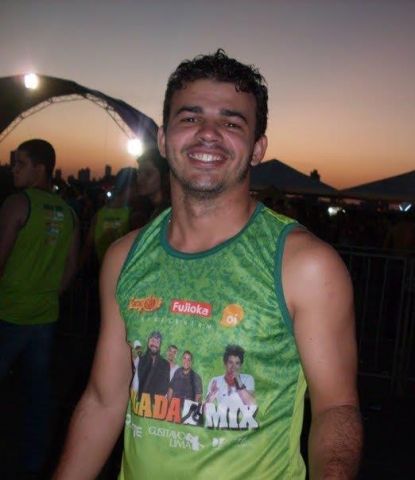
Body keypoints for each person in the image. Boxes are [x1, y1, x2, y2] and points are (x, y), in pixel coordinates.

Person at [54, 50, 362, 479]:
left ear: (257, 149)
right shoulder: (124, 257)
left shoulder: (305, 266)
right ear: (163, 140)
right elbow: (104, 400)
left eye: (231, 123)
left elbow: (335, 408)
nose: (208, 134)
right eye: (190, 117)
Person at [0, 139, 79, 477]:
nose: (13, 169)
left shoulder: (18, 204)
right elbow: (71, 267)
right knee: (37, 393)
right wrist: (47, 294)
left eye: (20, 164)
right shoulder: (69, 213)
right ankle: (35, 464)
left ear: (40, 168)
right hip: (45, 316)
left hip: (8, 312)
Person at [137, 331, 170, 400]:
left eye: (157, 342)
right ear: (148, 342)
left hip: (156, 403)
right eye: (152, 340)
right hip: (140, 402)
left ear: (160, 346)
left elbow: (164, 387)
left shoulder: (165, 364)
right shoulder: (140, 360)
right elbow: (138, 382)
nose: (154, 344)